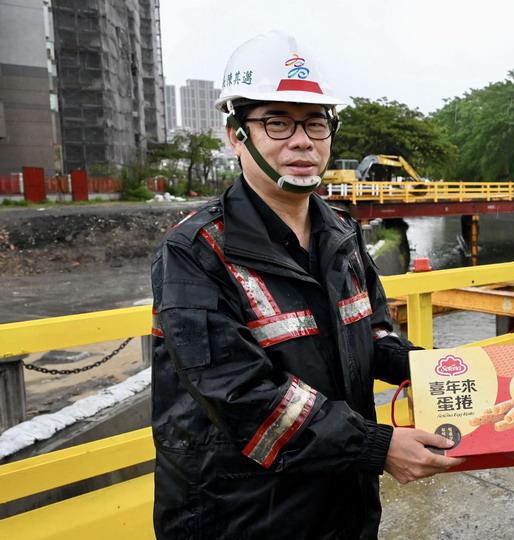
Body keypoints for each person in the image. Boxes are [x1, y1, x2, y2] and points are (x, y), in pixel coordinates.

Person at [150, 31, 462, 539]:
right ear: (236, 134)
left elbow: (375, 338)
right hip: (242, 514)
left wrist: (455, 373)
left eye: (316, 123)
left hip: (343, 502)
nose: (302, 141)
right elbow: (241, 394)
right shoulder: (196, 252)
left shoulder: (341, 232)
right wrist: (378, 447)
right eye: (277, 122)